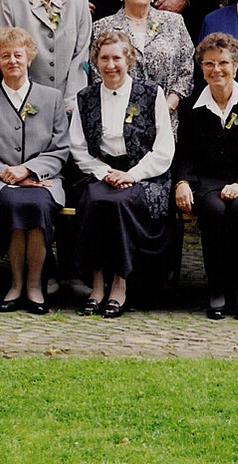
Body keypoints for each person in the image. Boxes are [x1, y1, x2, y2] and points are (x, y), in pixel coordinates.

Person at [0, 28, 70, 314]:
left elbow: (60, 148)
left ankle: (34, 286)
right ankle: (15, 283)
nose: (12, 61)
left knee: (36, 205)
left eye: (18, 55)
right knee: (12, 202)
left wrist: (28, 170)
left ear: (29, 59)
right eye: (5, 56)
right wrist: (6, 172)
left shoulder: (52, 98)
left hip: (42, 181)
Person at [71, 31, 175, 318]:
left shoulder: (151, 93)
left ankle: (120, 283)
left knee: (118, 204)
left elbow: (164, 148)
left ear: (129, 60)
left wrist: (132, 175)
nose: (110, 65)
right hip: (100, 171)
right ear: (96, 62)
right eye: (104, 58)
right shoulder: (86, 97)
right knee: (95, 201)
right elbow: (77, 146)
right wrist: (103, 172)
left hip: (144, 173)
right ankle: (97, 286)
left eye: (117, 58)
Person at [173, 34, 238, 319]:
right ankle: (216, 289)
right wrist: (182, 182)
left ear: (235, 65)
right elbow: (184, 154)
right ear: (201, 68)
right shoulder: (190, 107)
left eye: (223, 63)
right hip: (207, 182)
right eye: (208, 64)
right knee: (213, 210)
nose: (216, 69)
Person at [90, 0, 194, 132]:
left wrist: (167, 106)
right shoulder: (102, 27)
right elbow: (98, 74)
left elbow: (187, 70)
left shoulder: (174, 22)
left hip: (167, 122)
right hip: (119, 122)